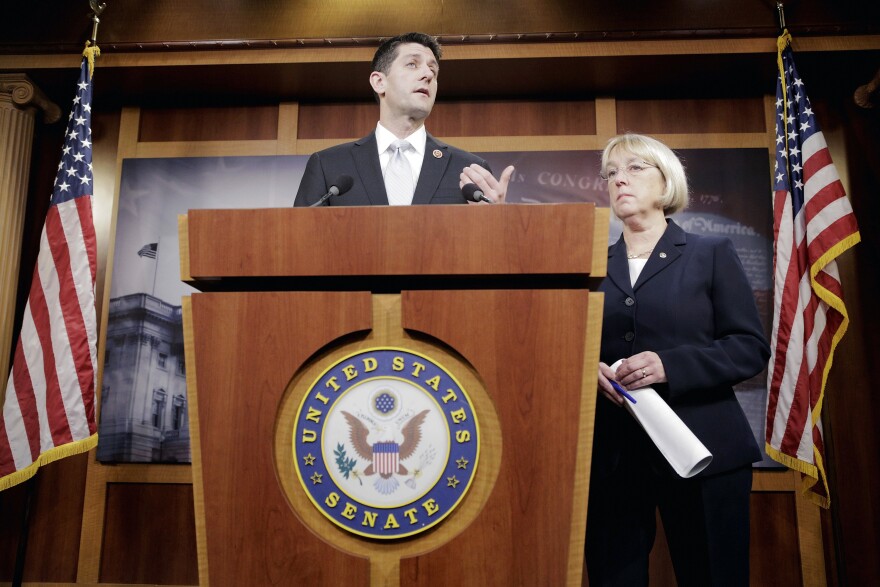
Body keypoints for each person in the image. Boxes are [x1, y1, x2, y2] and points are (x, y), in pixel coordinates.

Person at [585, 134, 770, 586]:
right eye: (611, 174)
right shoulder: (591, 264)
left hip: (703, 445)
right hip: (613, 456)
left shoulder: (711, 254)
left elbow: (749, 347)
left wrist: (672, 366)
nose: (619, 180)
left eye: (633, 169)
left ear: (666, 181)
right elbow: (569, 342)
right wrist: (588, 370)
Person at [294, 32, 514, 206]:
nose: (427, 75)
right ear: (379, 82)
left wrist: (496, 221)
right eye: (412, 64)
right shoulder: (329, 166)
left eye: (433, 70)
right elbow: (301, 244)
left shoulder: (468, 171)